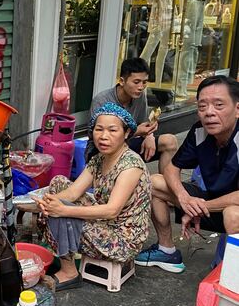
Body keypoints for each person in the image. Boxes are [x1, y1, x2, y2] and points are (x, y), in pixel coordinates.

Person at [38, 103, 151, 292]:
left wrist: (63, 210)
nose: (104, 136)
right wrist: (48, 203)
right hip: (104, 222)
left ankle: (69, 272)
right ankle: (65, 250)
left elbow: (111, 210)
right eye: (99, 129)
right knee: (58, 184)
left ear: (126, 133)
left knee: (61, 214)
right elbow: (73, 192)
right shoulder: (99, 159)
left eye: (112, 130)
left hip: (122, 238)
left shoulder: (131, 165)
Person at [135, 75, 239, 273]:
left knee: (232, 214)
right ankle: (167, 250)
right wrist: (184, 198)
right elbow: (172, 168)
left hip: (228, 209)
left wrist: (200, 207)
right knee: (154, 181)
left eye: (218, 105)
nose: (209, 113)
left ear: (237, 109)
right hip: (210, 203)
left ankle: (231, 279)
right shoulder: (200, 131)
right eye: (202, 106)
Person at [87, 57, 177, 172]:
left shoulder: (140, 96)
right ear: (122, 81)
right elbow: (96, 137)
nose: (140, 87)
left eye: (144, 82)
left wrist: (149, 136)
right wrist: (137, 132)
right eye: (136, 82)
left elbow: (143, 123)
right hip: (102, 149)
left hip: (128, 143)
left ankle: (164, 187)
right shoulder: (102, 100)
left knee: (169, 141)